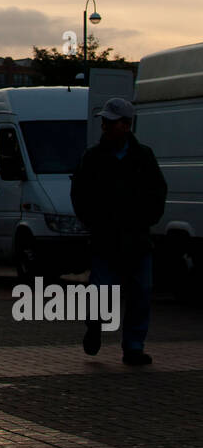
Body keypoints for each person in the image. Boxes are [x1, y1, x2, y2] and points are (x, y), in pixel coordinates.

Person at [70, 97, 167, 365]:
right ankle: (95, 325)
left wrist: (147, 219)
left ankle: (134, 347)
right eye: (105, 122)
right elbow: (79, 193)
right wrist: (93, 221)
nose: (105, 127)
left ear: (126, 125)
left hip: (137, 238)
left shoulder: (143, 156)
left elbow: (158, 191)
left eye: (111, 123)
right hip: (106, 239)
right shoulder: (94, 157)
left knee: (141, 292)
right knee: (102, 291)